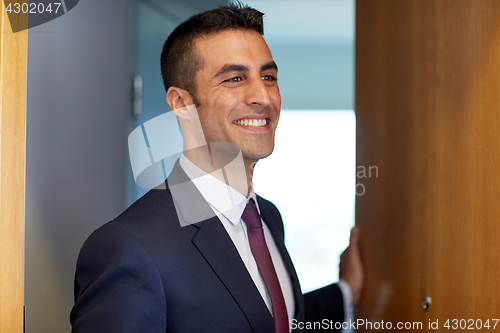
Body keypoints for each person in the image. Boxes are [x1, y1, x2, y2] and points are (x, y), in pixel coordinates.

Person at [70, 3, 363, 332]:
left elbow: (269, 320)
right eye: (235, 79)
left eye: (268, 77)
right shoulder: (131, 249)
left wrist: (346, 290)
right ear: (182, 104)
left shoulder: (267, 218)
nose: (263, 96)